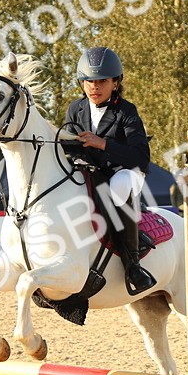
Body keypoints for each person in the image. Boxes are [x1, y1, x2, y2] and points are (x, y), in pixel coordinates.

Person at [63, 46, 156, 295]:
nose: (95, 87)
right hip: (93, 171)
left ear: (115, 83)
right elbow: (70, 146)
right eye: (89, 81)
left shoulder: (126, 111)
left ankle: (133, 265)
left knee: (118, 185)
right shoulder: (75, 108)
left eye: (102, 81)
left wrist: (102, 144)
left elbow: (140, 156)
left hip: (127, 171)